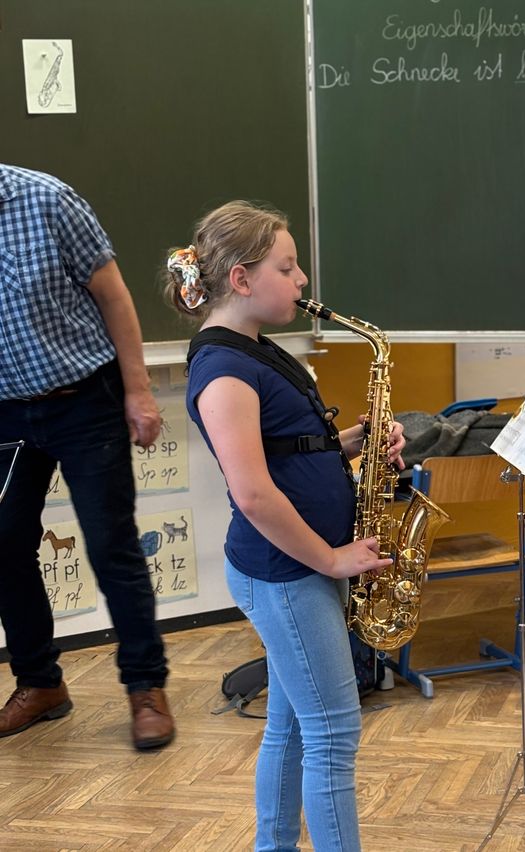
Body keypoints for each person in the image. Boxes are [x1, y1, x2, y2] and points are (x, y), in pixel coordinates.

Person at [164, 200, 404, 852]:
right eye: (288, 267)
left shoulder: (254, 350)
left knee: (296, 725)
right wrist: (330, 559)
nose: (302, 281)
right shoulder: (224, 370)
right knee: (333, 732)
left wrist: (355, 441)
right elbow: (253, 492)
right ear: (241, 279)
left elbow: (286, 452)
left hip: (296, 568)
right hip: (287, 571)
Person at [0, 164, 174, 750]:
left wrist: (138, 391)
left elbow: (114, 296)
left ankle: (145, 688)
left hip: (84, 400)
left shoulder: (47, 199)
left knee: (109, 544)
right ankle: (40, 683)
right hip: (5, 411)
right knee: (3, 545)